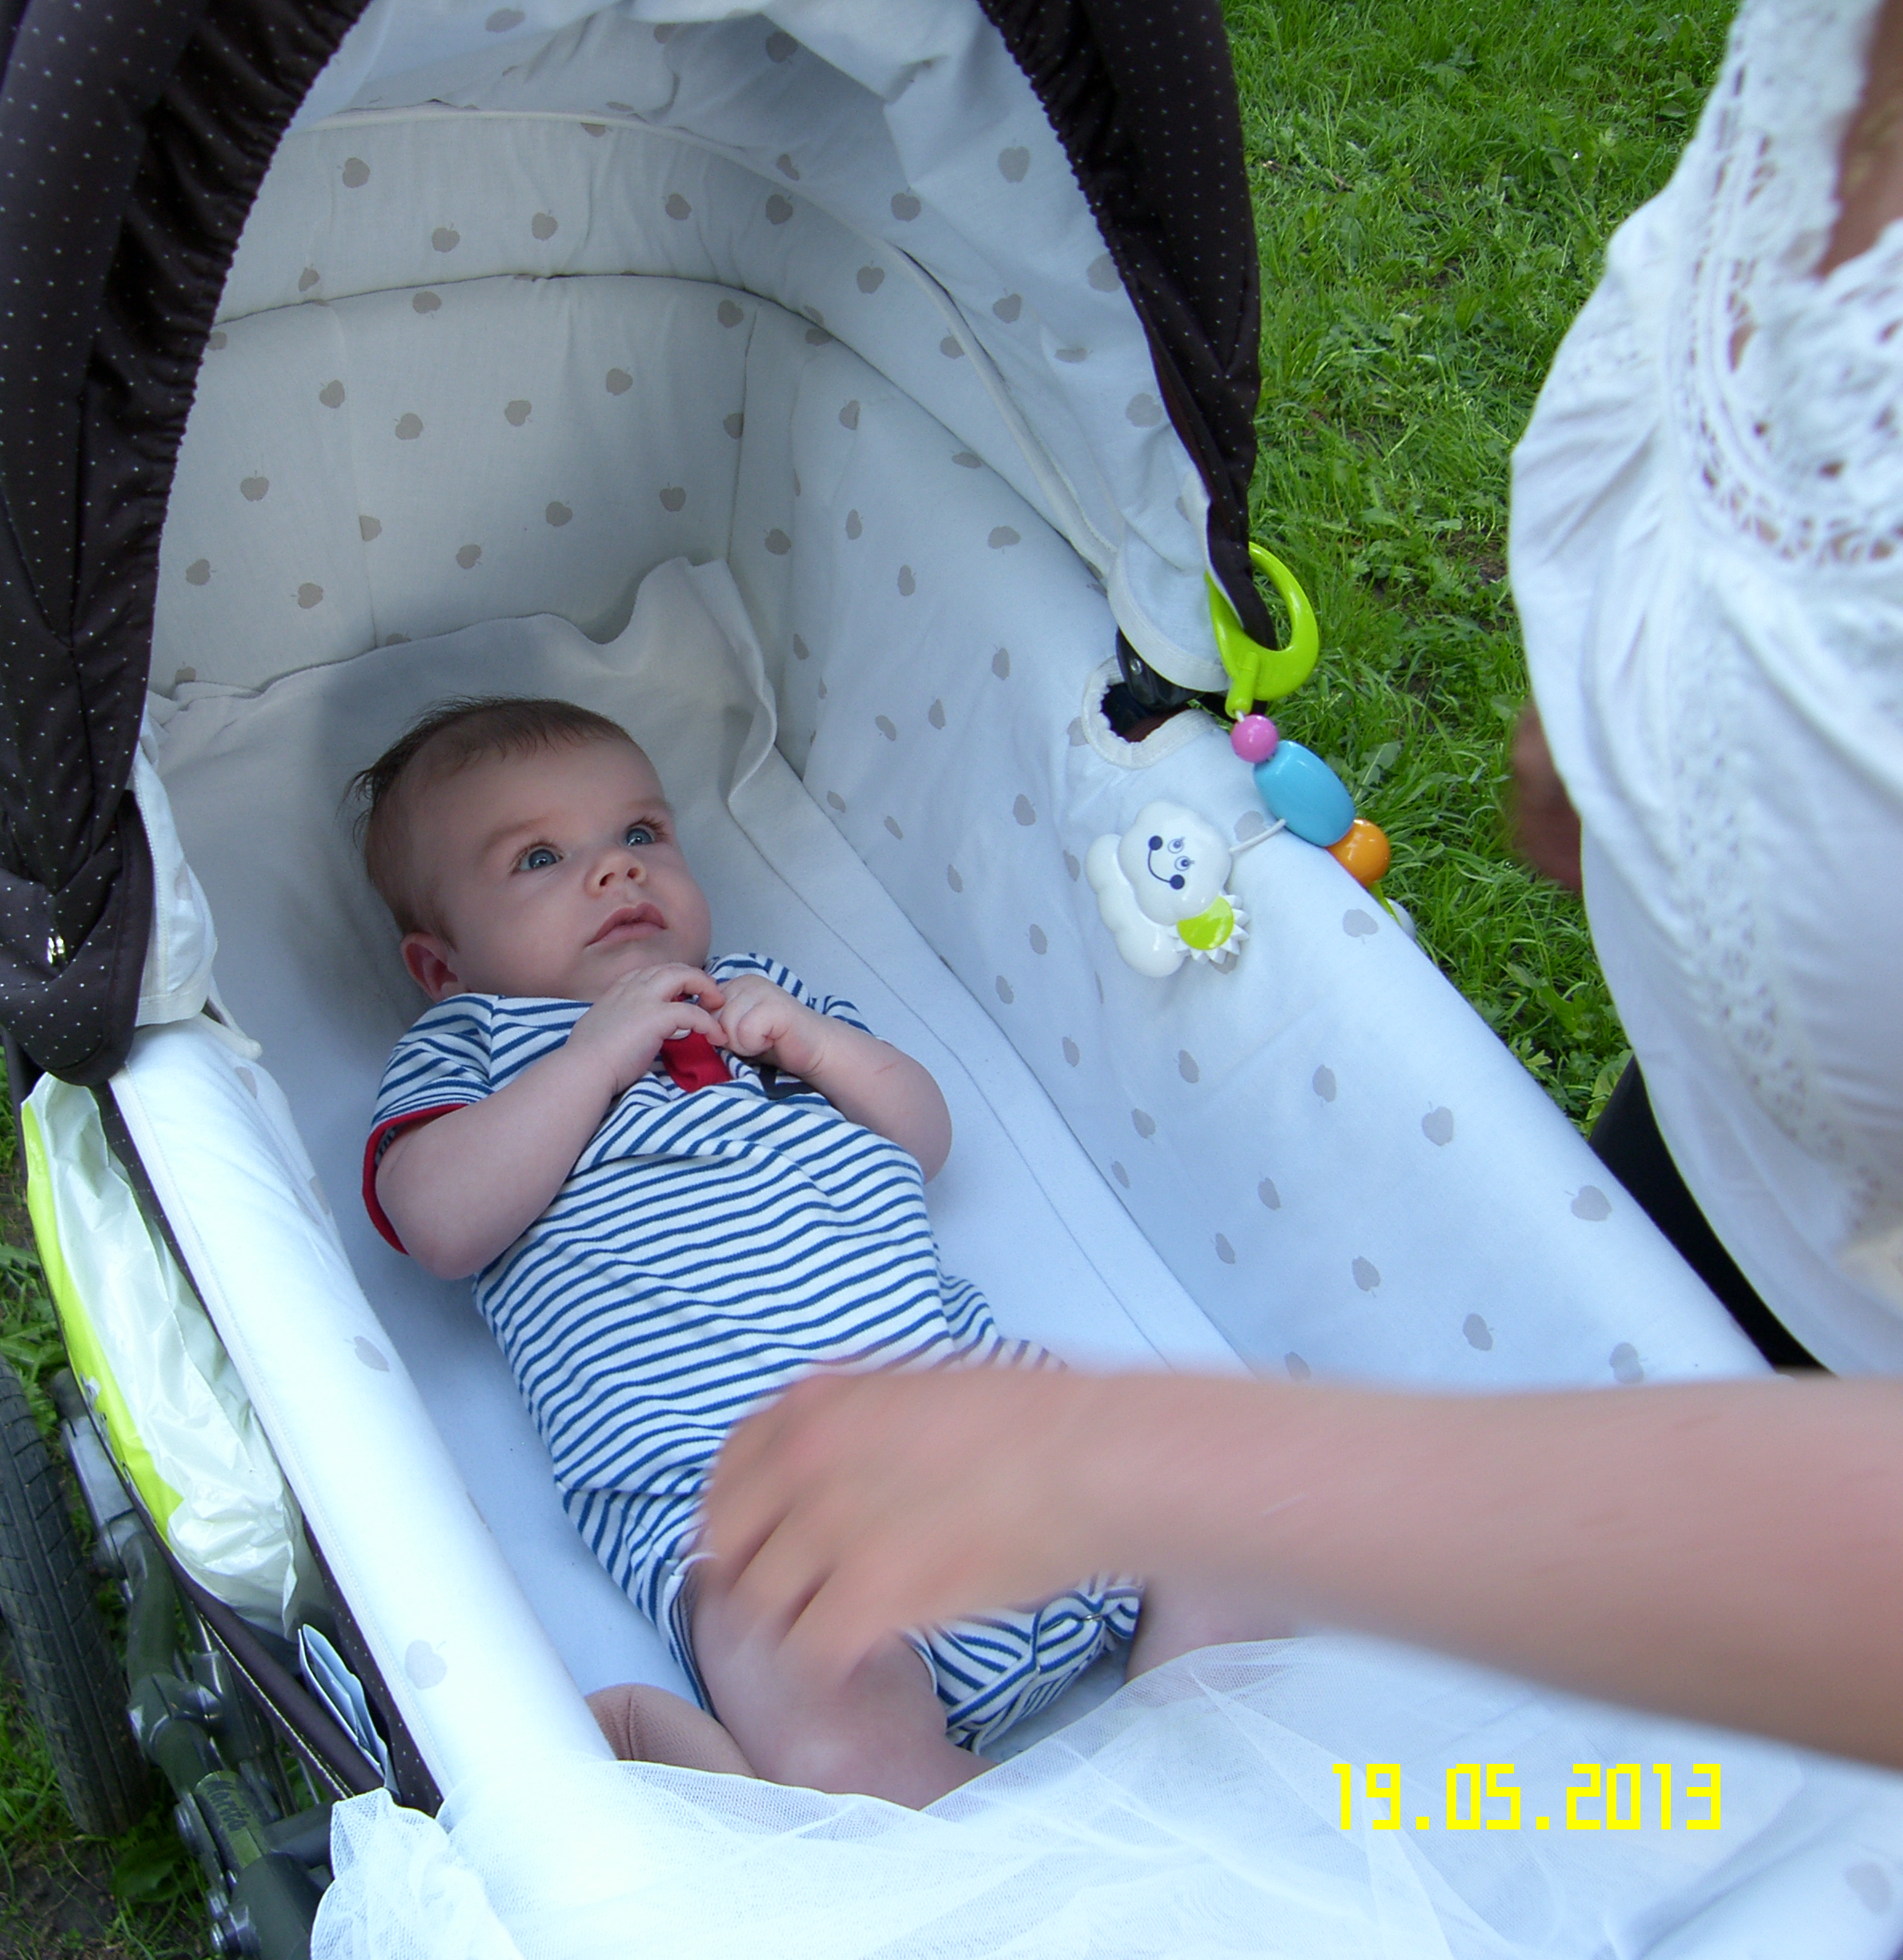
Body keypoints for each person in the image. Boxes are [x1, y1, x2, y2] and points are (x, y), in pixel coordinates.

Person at [703, 0, 1903, 1773]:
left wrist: (1156, 1466)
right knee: (1654, 1333)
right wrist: (1649, 723)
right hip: (1766, 1158)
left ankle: (1242, 1797)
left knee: (1657, 1790)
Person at [352, 697, 1273, 1806]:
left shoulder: (760, 996)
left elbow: (923, 1135)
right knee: (823, 1723)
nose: (616, 870)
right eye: (539, 858)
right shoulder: (479, 1046)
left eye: (642, 833)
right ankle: (986, 1839)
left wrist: (811, 1041)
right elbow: (440, 1223)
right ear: (441, 966)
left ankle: (1195, 1762)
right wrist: (595, 1056)